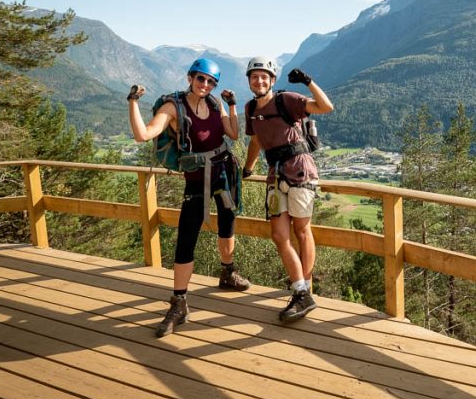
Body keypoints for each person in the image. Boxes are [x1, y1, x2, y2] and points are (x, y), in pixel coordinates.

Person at [128, 58, 251, 337]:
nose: (205, 85)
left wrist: (231, 105)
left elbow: (232, 133)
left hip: (224, 172)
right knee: (186, 237)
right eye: (201, 79)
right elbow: (143, 134)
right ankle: (179, 302)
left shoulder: (214, 104)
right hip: (197, 179)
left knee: (227, 223)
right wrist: (133, 101)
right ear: (190, 77)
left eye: (211, 82)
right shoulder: (173, 107)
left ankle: (227, 273)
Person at [241, 57, 334, 324]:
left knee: (302, 231)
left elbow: (326, 107)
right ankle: (302, 291)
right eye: (254, 77)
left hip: (300, 170)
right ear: (249, 81)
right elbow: (256, 142)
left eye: (264, 77)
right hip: (274, 174)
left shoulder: (286, 100)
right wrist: (247, 169)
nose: (259, 81)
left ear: (272, 80)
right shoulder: (251, 109)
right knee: (279, 235)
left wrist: (307, 81)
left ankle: (302, 291)